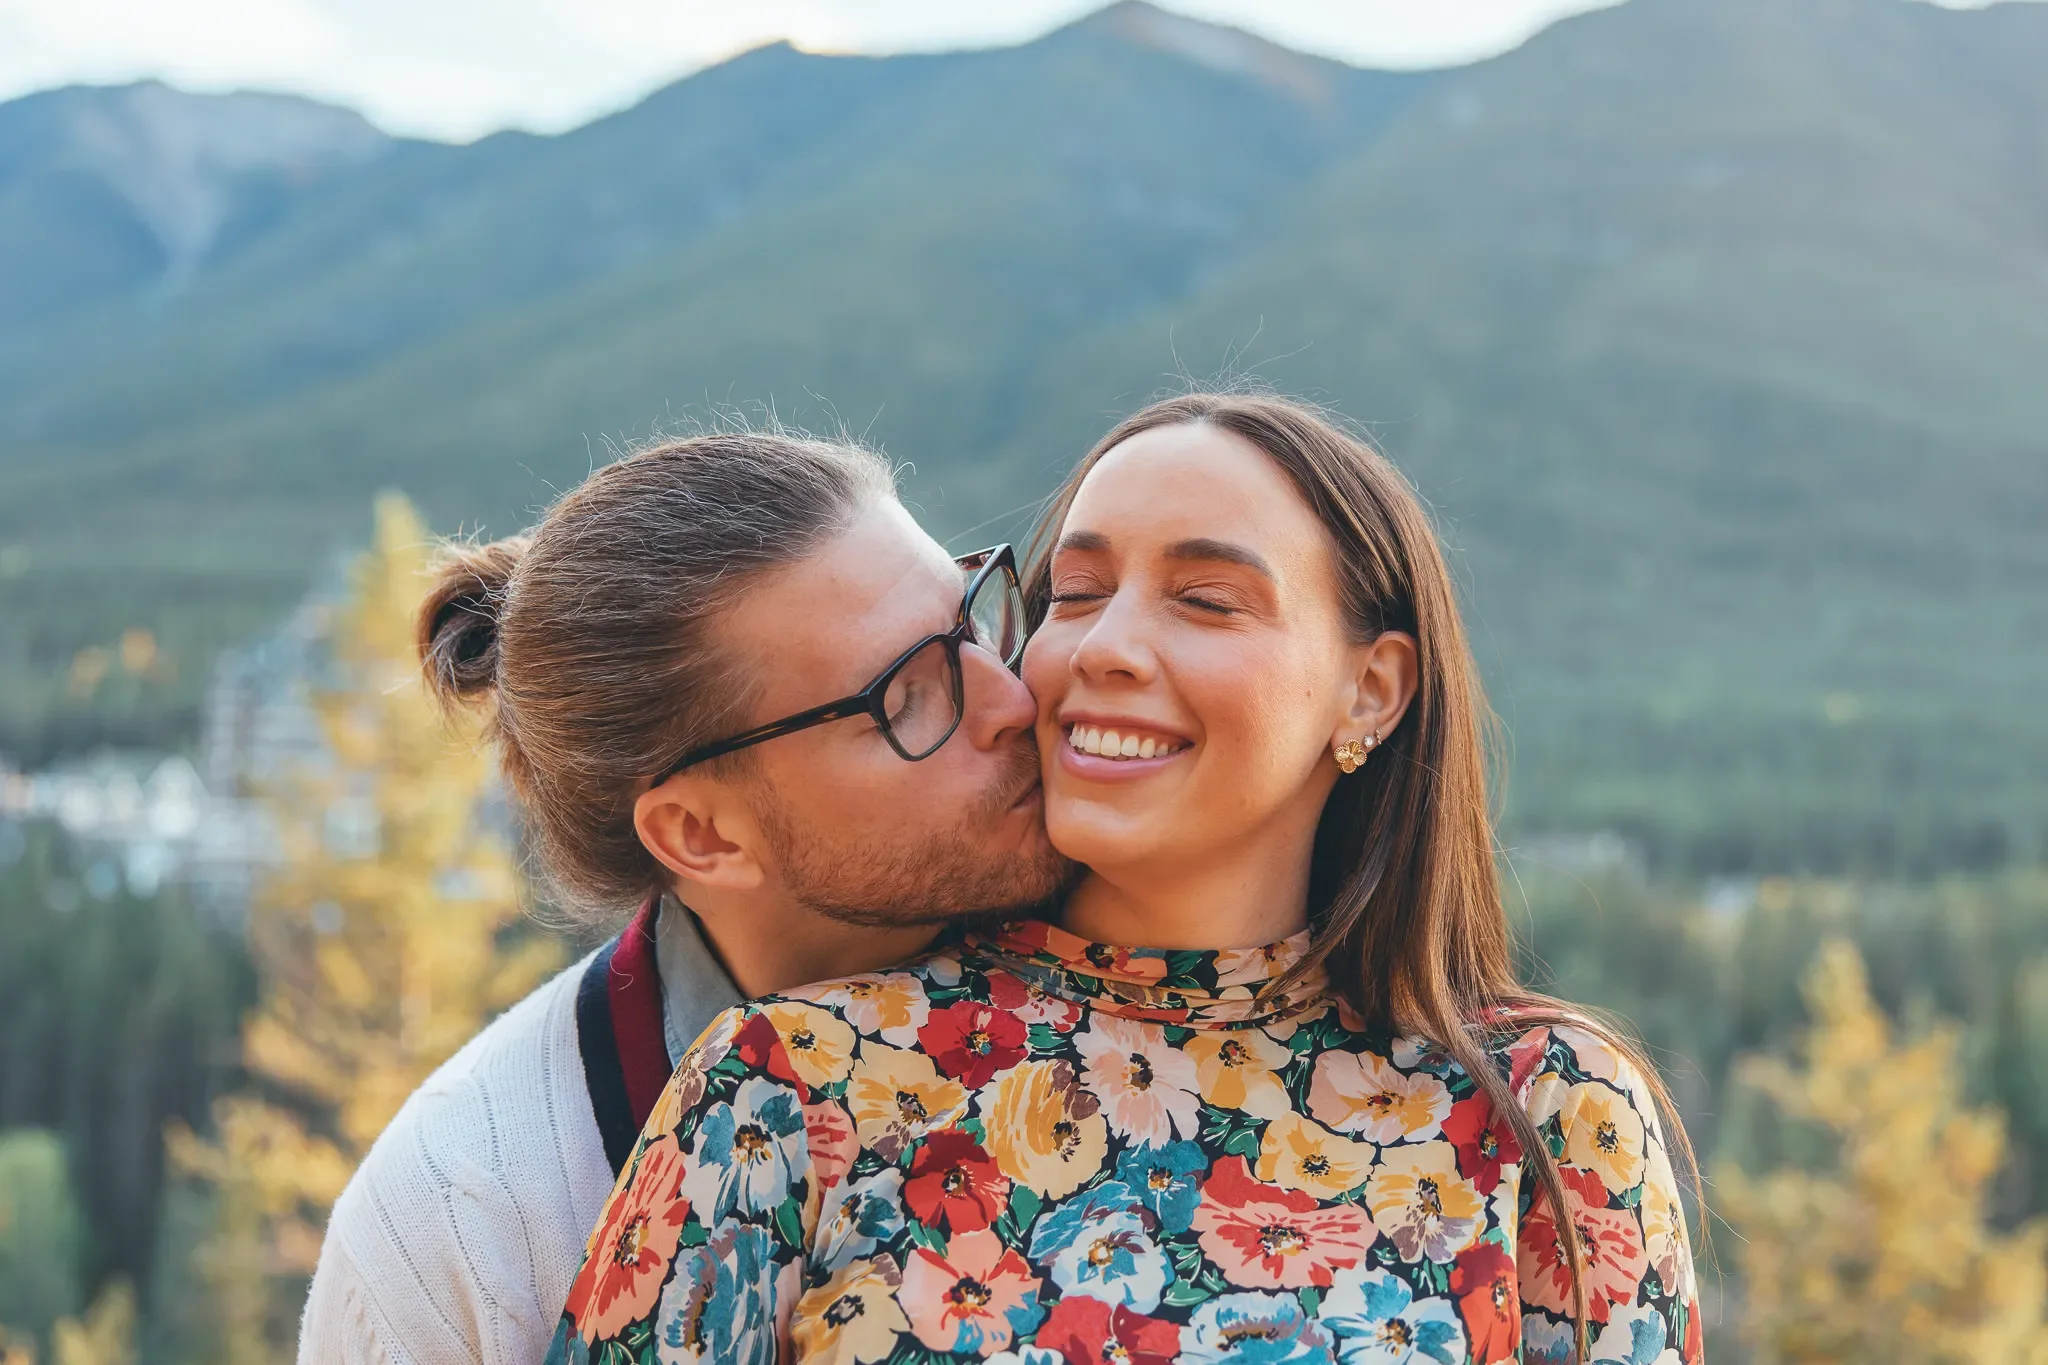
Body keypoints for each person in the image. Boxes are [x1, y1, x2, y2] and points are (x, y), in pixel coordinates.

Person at [548, 393, 1701, 1365]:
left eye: (1205, 600)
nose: (1101, 646)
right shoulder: (789, 1088)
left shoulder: (1547, 1114)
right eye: (1077, 591)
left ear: (1371, 691)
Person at [297, 428, 1069, 1365]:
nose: (1014, 703)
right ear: (702, 835)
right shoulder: (463, 1227)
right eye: (905, 699)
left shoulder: (1182, 969)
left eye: (972, 625)